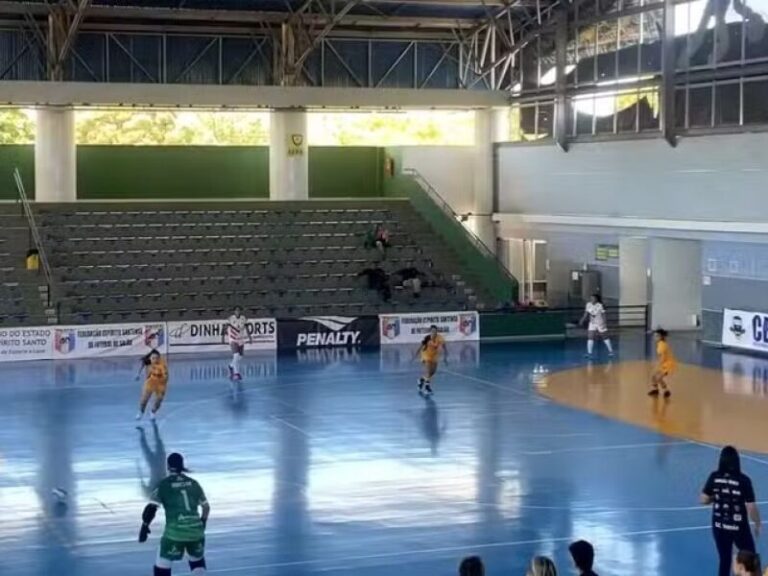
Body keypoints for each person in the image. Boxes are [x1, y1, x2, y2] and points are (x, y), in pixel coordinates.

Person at [139, 453, 210, 576]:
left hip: (174, 534)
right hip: (196, 532)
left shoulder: (164, 484)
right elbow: (206, 507)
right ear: (182, 465)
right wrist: (202, 522)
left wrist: (145, 526)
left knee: (161, 568)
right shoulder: (194, 483)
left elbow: (151, 508)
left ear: (168, 466)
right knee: (197, 564)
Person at [701, 446, 761, 576]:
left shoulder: (714, 476)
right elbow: (751, 507)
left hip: (719, 526)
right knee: (750, 559)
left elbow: (704, 499)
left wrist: (716, 496)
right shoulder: (744, 480)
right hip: (739, 527)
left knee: (725, 559)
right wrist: (757, 524)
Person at [414, 325, 448, 396]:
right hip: (426, 354)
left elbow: (445, 348)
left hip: (434, 356)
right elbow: (420, 347)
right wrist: (415, 355)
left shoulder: (440, 338)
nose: (434, 332)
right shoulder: (427, 338)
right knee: (428, 371)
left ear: (436, 332)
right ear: (430, 332)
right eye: (432, 331)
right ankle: (427, 388)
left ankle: (421, 380)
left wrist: (445, 358)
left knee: (432, 372)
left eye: (435, 331)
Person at [136, 350, 168, 421]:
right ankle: (141, 411)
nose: (154, 360)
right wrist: (138, 374)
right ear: (150, 358)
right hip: (151, 381)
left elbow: (166, 376)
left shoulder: (162, 365)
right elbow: (143, 364)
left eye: (156, 358)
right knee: (144, 398)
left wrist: (164, 379)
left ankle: (153, 412)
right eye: (153, 358)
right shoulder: (149, 361)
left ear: (159, 358)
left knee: (159, 400)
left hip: (161, 383)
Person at [580, 293, 613, 358]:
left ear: (596, 299)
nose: (591, 299)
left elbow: (604, 315)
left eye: (593, 298)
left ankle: (610, 351)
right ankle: (589, 353)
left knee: (605, 337)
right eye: (591, 298)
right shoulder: (588, 304)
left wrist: (604, 323)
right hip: (592, 323)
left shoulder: (600, 305)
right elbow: (586, 313)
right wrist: (582, 319)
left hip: (600, 323)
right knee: (590, 337)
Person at [225, 306, 251, 381]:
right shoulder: (231, 318)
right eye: (236, 310)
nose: (237, 312)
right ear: (234, 311)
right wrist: (224, 336)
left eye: (238, 310)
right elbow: (226, 327)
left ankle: (231, 365)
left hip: (241, 338)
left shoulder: (243, 318)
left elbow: (246, 327)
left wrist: (249, 337)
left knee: (240, 357)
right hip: (233, 338)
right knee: (236, 356)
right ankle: (237, 374)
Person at [649, 328, 675, 398]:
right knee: (653, 377)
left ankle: (666, 391)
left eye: (657, 336)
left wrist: (657, 366)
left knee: (658, 378)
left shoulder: (662, 345)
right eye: (655, 336)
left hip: (668, 365)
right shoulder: (660, 343)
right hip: (664, 363)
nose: (655, 337)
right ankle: (656, 390)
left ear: (661, 337)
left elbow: (662, 358)